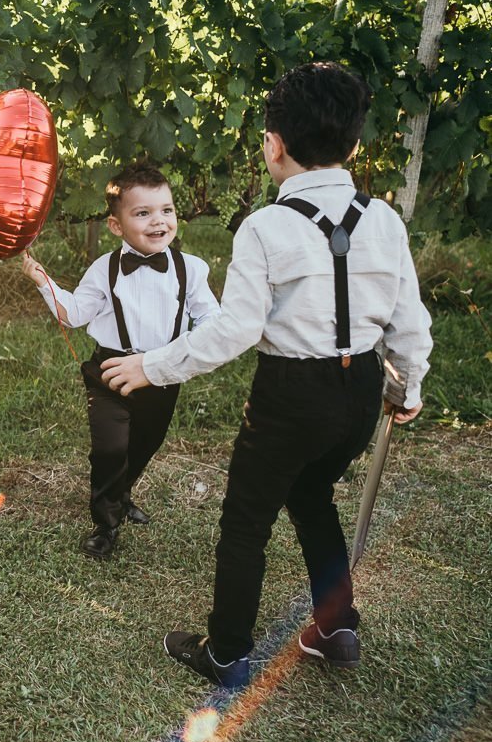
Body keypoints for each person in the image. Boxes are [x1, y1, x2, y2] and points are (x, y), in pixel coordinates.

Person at [100, 62, 433, 689]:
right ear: (354, 147)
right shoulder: (385, 221)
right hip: (360, 390)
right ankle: (337, 627)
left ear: (273, 147)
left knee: (247, 521)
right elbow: (408, 322)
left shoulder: (265, 226)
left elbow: (235, 330)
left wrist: (151, 365)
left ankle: (226, 653)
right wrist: (407, 386)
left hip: (290, 395)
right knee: (313, 496)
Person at [23, 161, 220, 559]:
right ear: (116, 225)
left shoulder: (191, 270)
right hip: (110, 372)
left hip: (162, 374)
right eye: (143, 213)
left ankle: (122, 492)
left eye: (166, 210)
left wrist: (184, 354)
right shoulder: (104, 269)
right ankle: (105, 522)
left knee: (143, 447)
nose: (158, 221)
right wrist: (43, 280)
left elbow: (212, 320)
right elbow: (74, 314)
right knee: (110, 448)